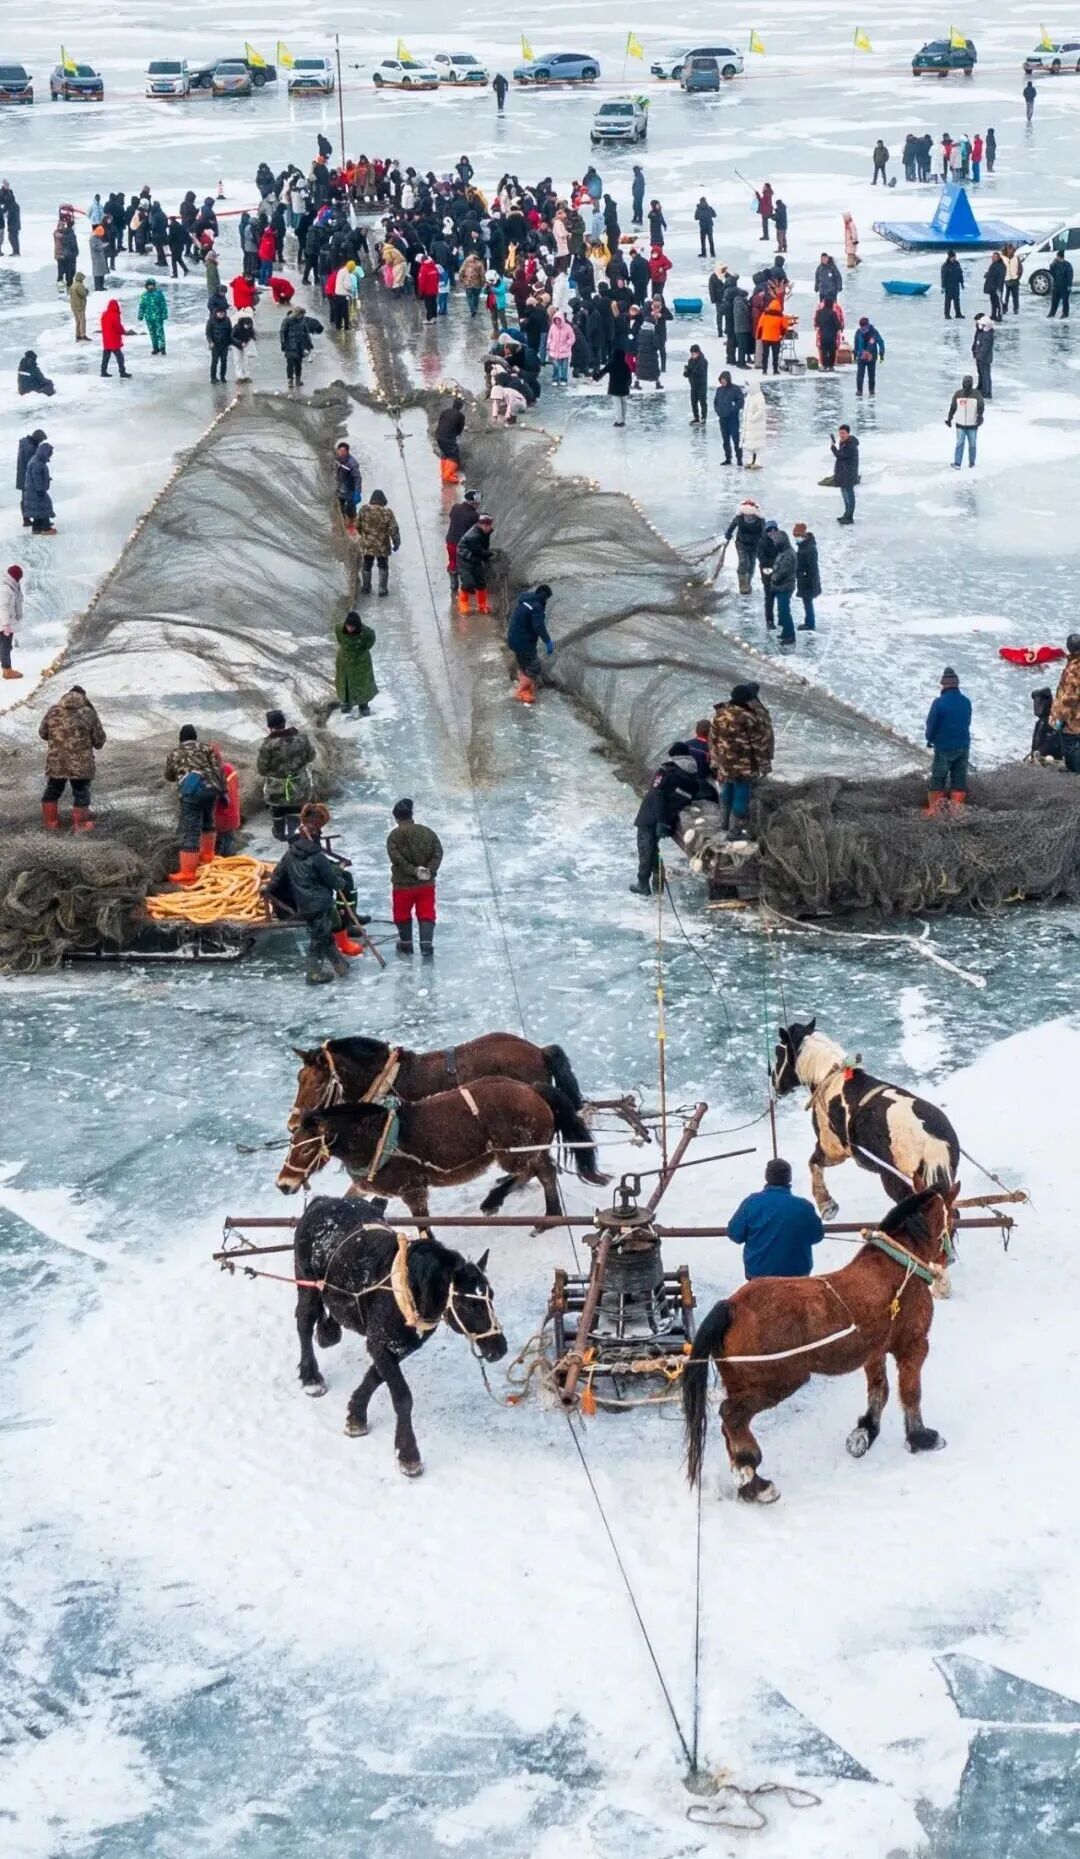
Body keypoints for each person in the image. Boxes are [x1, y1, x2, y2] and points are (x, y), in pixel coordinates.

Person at [265, 802, 365, 983]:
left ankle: (340, 965)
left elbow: (277, 876)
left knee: (324, 935)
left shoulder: (290, 854)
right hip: (319, 903)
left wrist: (266, 890)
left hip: (304, 901)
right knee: (319, 939)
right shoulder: (317, 857)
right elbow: (333, 882)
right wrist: (340, 877)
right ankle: (313, 973)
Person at [728, 1158, 824, 1279]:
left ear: (767, 1177)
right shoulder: (805, 1206)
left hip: (759, 1276)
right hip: (798, 1276)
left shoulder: (751, 1203)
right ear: (789, 1179)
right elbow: (817, 1236)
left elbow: (735, 1234)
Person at [630, 742, 703, 896]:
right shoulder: (693, 776)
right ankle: (658, 878)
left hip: (650, 816)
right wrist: (665, 821)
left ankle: (643, 884)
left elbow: (656, 795)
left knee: (645, 849)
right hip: (669, 817)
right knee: (653, 847)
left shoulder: (667, 771)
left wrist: (660, 819)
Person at [708, 683, 774, 840]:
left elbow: (713, 739)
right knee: (742, 793)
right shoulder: (749, 717)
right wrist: (764, 765)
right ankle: (735, 832)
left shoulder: (720, 713)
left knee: (727, 789)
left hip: (723, 761)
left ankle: (723, 824)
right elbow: (758, 744)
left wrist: (715, 759)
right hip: (743, 763)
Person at [163, 724, 226, 882]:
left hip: (192, 792)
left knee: (190, 830)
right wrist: (223, 792)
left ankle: (188, 873)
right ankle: (208, 857)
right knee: (208, 820)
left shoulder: (174, 752)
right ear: (195, 737)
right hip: (211, 789)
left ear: (181, 739)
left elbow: (169, 776)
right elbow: (218, 768)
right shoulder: (207, 748)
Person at [38, 685, 106, 831]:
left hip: (57, 762)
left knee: (52, 790)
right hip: (80, 765)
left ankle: (50, 823)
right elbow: (99, 741)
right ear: (84, 698)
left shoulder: (53, 711)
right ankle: (80, 825)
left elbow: (43, 733)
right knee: (81, 792)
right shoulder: (88, 713)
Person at [387, 798, 443, 956]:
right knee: (426, 913)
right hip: (426, 885)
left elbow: (397, 859)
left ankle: (406, 944)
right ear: (411, 815)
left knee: (402, 913)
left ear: (396, 817)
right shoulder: (427, 832)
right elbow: (438, 853)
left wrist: (413, 870)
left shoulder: (393, 837)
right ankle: (426, 945)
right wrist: (428, 871)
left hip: (402, 886)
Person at [257, 708, 317, 839]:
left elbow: (261, 769)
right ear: (284, 723)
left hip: (275, 791)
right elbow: (311, 756)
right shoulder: (302, 738)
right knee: (295, 812)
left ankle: (279, 832)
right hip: (299, 787)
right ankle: (294, 837)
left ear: (269, 726)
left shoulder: (267, 745)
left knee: (277, 811)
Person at [925, 667, 972, 812]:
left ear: (944, 685)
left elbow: (931, 725)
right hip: (963, 745)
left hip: (944, 746)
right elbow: (967, 722)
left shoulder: (939, 703)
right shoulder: (966, 701)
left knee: (938, 777)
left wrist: (929, 739)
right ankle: (956, 811)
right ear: (956, 685)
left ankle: (935, 810)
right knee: (959, 778)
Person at [506, 583, 554, 704]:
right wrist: (547, 640)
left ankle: (525, 686)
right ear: (545, 596)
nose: (547, 602)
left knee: (524, 664)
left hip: (513, 638)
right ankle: (522, 690)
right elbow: (538, 626)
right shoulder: (536, 606)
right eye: (547, 598)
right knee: (534, 665)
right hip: (524, 641)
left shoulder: (526, 601)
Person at [356, 489, 401, 596]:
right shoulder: (387, 512)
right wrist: (396, 542)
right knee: (383, 565)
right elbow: (393, 529)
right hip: (382, 546)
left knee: (367, 565)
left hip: (367, 545)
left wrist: (364, 536)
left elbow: (357, 525)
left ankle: (366, 587)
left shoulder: (364, 510)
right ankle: (382, 589)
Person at [335, 609, 377, 717]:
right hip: (344, 660)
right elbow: (339, 640)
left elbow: (370, 642)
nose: (350, 629)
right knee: (345, 682)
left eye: (352, 627)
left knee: (362, 684)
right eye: (348, 626)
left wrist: (361, 653)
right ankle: (346, 702)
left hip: (361, 662)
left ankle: (363, 705)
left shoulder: (366, 632)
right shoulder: (339, 628)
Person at [1050, 635, 1080, 772]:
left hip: (1074, 717)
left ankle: (1074, 774)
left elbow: (1070, 697)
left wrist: (1061, 717)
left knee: (1071, 744)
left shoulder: (1075, 667)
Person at [725, 498, 765, 594]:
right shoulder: (739, 518)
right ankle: (742, 585)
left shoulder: (760, 520)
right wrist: (728, 533)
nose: (748, 516)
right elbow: (732, 526)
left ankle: (748, 583)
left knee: (751, 564)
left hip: (755, 545)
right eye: (746, 514)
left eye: (750, 514)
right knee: (744, 562)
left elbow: (764, 533)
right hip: (741, 543)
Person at [456, 512, 493, 613]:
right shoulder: (473, 536)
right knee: (468, 583)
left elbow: (484, 548)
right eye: (486, 525)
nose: (488, 527)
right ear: (480, 525)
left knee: (481, 583)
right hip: (465, 559)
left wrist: (485, 554)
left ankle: (482, 605)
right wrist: (489, 554)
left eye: (489, 525)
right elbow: (479, 551)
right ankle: (462, 603)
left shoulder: (485, 533)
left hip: (475, 559)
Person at [767, 526, 797, 650]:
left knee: (784, 612)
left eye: (775, 542)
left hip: (784, 587)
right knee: (781, 610)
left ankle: (790, 635)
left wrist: (773, 577)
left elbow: (783, 571)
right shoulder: (784, 552)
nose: (774, 544)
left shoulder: (788, 554)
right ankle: (785, 632)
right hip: (780, 587)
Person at [946, 374, 984, 468]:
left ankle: (972, 463)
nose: (967, 384)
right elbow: (953, 407)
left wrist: (980, 416)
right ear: (962, 383)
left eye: (969, 382)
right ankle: (957, 463)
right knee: (960, 444)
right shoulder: (958, 394)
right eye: (965, 382)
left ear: (971, 384)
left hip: (972, 425)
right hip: (960, 425)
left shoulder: (976, 394)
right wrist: (949, 418)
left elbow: (981, 406)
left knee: (973, 445)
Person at [445, 488, 479, 593]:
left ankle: (453, 583)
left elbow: (451, 516)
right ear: (473, 503)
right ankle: (467, 587)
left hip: (450, 541)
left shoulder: (455, 507)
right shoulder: (474, 516)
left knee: (452, 561)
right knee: (465, 565)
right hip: (462, 545)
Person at [22, 440, 56, 534]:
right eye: (49, 454)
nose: (49, 456)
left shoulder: (37, 460)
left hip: (32, 490)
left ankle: (36, 528)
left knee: (37, 509)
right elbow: (36, 477)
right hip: (36, 490)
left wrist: (46, 479)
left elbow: (38, 475)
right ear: (44, 452)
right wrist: (40, 489)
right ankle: (46, 528)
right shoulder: (37, 462)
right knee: (45, 506)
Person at [792, 523, 820, 632]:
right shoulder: (805, 546)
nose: (796, 538)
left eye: (797, 535)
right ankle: (809, 622)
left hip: (808, 580)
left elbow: (812, 566)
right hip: (806, 579)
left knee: (808, 601)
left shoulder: (809, 549)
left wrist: (804, 575)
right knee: (806, 601)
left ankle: (810, 623)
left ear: (803, 535)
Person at [16, 429, 46, 527]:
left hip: (22, 475)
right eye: (41, 440)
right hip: (27, 477)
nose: (41, 442)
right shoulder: (31, 449)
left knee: (25, 497)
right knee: (31, 498)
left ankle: (26, 519)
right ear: (37, 438)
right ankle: (29, 520)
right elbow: (34, 465)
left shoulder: (25, 444)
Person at [713, 372, 744, 464]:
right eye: (721, 380)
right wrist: (718, 411)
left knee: (736, 440)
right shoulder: (719, 390)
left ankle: (739, 459)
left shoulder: (735, 389)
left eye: (724, 380)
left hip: (732, 419)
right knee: (725, 440)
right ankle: (728, 458)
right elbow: (715, 402)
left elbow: (741, 401)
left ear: (728, 379)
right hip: (722, 418)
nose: (723, 382)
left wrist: (733, 409)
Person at [831, 425, 859, 525]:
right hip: (844, 474)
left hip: (849, 475)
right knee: (845, 495)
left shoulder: (850, 445)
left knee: (849, 496)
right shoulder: (844, 443)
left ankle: (849, 517)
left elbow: (840, 455)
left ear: (848, 433)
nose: (841, 435)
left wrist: (833, 447)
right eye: (840, 433)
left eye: (843, 433)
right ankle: (846, 514)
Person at [1028, 687, 1064, 764]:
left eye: (1039, 702)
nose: (1036, 705)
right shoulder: (1039, 722)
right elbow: (1034, 744)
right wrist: (1033, 753)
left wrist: (1039, 751)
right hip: (1041, 755)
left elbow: (1055, 741)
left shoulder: (1054, 719)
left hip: (1053, 756)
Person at [757, 295, 791, 375]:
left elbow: (760, 325)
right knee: (775, 354)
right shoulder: (780, 316)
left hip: (765, 337)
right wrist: (782, 335)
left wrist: (759, 336)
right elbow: (784, 327)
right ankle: (775, 370)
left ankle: (764, 370)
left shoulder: (765, 314)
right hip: (775, 338)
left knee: (765, 354)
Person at [280, 305, 313, 388]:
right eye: (302, 314)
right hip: (290, 345)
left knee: (298, 364)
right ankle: (290, 381)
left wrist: (309, 344)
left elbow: (306, 334)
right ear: (297, 314)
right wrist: (283, 344)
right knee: (290, 364)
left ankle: (298, 380)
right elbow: (282, 333)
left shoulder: (302, 321)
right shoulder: (287, 321)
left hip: (300, 345)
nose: (303, 316)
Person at [435, 396, 466, 482]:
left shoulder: (445, 411)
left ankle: (444, 472)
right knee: (454, 455)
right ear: (461, 407)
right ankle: (447, 475)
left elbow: (440, 422)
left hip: (438, 435)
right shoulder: (461, 416)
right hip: (447, 437)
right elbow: (459, 430)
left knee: (445, 453)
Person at [1, 563, 23, 679]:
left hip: (8, 623)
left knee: (6, 645)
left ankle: (6, 669)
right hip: (5, 624)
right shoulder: (5, 589)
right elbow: (2, 607)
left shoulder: (12, 587)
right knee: (5, 646)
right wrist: (5, 625)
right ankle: (7, 671)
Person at [100, 298, 132, 378]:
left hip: (106, 339)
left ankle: (103, 371)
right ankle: (122, 372)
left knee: (106, 357)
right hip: (114, 339)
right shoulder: (115, 315)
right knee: (120, 357)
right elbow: (118, 327)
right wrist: (124, 332)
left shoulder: (104, 314)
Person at [853, 317, 885, 398]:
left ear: (868, 325)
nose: (863, 329)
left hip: (872, 357)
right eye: (861, 327)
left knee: (871, 375)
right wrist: (855, 355)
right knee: (860, 375)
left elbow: (881, 342)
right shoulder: (858, 333)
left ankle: (871, 390)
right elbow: (856, 344)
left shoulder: (874, 332)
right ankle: (859, 391)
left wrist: (881, 353)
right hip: (861, 357)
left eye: (865, 327)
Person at [137, 279, 168, 356]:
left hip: (158, 317)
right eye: (149, 285)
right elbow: (142, 306)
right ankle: (155, 348)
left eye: (151, 285)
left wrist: (164, 314)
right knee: (152, 333)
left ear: (154, 285)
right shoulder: (144, 295)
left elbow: (163, 305)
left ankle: (162, 347)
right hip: (149, 318)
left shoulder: (158, 294)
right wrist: (140, 315)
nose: (150, 286)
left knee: (160, 333)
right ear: (146, 286)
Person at [334, 441, 362, 527]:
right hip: (339, 488)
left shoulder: (352, 463)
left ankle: (353, 524)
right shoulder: (335, 458)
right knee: (338, 507)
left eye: (343, 452)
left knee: (350, 509)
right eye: (339, 451)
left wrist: (357, 492)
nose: (341, 453)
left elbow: (358, 478)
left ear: (347, 452)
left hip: (350, 489)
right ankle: (340, 524)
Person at [206, 305, 233, 383]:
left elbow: (230, 332)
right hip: (215, 344)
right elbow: (208, 333)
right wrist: (210, 342)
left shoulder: (227, 320)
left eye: (223, 313)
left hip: (225, 344)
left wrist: (230, 343)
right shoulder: (211, 320)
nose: (221, 314)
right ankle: (213, 378)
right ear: (216, 313)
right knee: (215, 361)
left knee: (224, 361)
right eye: (219, 313)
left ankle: (223, 376)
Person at [684, 344, 708, 425]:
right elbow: (688, 374)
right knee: (693, 401)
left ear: (698, 353)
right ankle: (696, 417)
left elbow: (701, 373)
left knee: (702, 401)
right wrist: (686, 372)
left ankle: (704, 417)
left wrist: (691, 371)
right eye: (692, 353)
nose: (693, 355)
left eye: (694, 353)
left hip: (702, 384)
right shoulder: (690, 361)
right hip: (693, 384)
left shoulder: (703, 361)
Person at [972, 315, 994, 399]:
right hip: (981, 358)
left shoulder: (987, 335)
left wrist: (979, 356)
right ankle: (984, 389)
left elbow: (985, 348)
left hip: (984, 359)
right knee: (983, 375)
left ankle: (987, 392)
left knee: (986, 376)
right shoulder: (983, 333)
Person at [1048, 247, 1073, 319]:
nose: (1056, 258)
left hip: (1064, 286)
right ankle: (1052, 313)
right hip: (1057, 285)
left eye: (1057, 256)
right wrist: (1052, 265)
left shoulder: (1068, 265)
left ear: (1059, 256)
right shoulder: (1056, 264)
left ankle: (1065, 313)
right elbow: (1052, 273)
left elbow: (1070, 276)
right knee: (1054, 300)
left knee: (1065, 300)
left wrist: (1069, 285)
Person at [941, 248, 964, 320]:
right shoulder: (945, 265)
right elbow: (943, 277)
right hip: (949, 286)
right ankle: (947, 314)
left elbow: (960, 273)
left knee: (957, 300)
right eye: (954, 256)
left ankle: (958, 313)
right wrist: (943, 287)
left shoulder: (957, 263)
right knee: (948, 301)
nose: (955, 257)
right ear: (950, 257)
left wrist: (962, 283)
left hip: (956, 285)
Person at [983, 251, 1005, 323]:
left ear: (998, 258)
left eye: (995, 257)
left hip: (997, 287)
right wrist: (987, 275)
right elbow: (990, 274)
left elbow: (1000, 277)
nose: (993, 258)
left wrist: (997, 286)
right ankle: (993, 314)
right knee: (993, 302)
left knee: (999, 302)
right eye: (992, 257)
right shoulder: (993, 265)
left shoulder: (1001, 266)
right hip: (991, 287)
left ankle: (1000, 315)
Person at [0, 180, 21, 256]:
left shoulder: (11, 202)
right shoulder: (9, 200)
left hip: (13, 221)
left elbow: (6, 201)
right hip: (11, 221)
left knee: (12, 236)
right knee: (10, 236)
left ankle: (16, 252)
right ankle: (16, 251)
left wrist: (5, 188)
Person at [1003, 245, 1023, 316]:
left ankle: (1016, 309)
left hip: (1015, 280)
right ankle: (1004, 309)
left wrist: (1018, 276)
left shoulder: (1016, 258)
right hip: (1006, 281)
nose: (1010, 251)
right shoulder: (1003, 259)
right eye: (1009, 249)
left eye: (1012, 249)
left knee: (1015, 296)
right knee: (1005, 297)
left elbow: (1020, 268)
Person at [69, 271, 89, 342]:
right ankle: (83, 335)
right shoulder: (79, 285)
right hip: (79, 306)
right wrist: (86, 291)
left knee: (77, 322)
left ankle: (78, 335)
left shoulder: (73, 285)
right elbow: (83, 294)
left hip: (73, 306)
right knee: (82, 321)